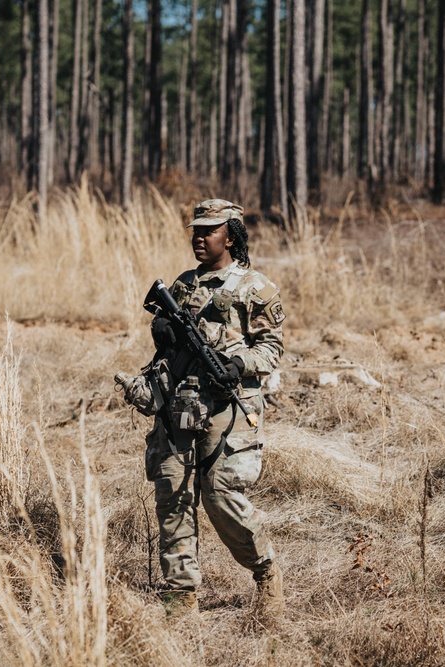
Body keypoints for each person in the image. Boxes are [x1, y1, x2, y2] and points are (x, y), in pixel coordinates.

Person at [134, 199, 285, 619]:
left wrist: (239, 364)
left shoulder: (255, 287)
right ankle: (181, 596)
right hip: (179, 404)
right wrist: (162, 333)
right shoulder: (183, 284)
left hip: (226, 409)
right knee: (173, 496)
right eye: (195, 231)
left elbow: (272, 348)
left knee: (219, 496)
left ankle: (265, 571)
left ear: (231, 236)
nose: (199, 238)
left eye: (209, 231)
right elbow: (170, 345)